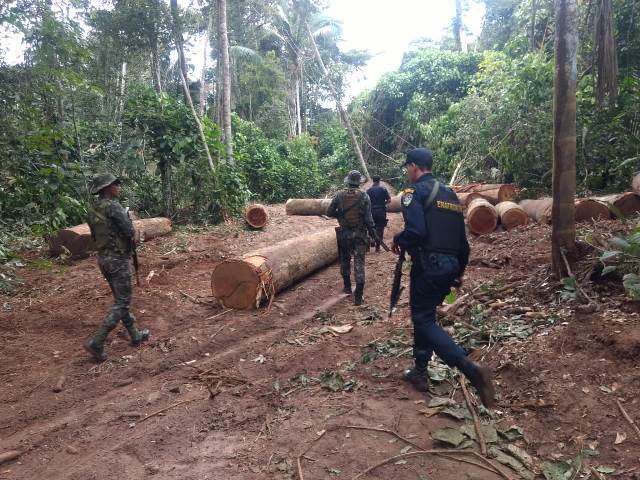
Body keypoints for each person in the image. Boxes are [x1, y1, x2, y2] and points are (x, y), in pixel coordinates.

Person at [391, 148, 496, 407]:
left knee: (423, 319)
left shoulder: (413, 194)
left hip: (428, 266)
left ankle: (469, 368)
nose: (407, 172)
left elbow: (416, 232)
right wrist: (458, 274)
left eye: (407, 168)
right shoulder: (450, 194)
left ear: (414, 166)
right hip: (450, 266)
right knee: (426, 316)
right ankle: (420, 371)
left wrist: (398, 240)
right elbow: (463, 243)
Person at [84, 173, 150, 362]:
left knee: (121, 300)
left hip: (104, 260)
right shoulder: (113, 206)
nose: (118, 187)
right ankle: (97, 342)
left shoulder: (92, 209)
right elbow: (129, 232)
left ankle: (135, 335)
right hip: (118, 260)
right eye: (115, 184)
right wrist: (133, 230)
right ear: (107, 188)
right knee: (122, 303)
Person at [328, 170, 376, 306]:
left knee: (345, 260)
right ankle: (358, 298)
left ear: (348, 181)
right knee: (359, 263)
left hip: (344, 235)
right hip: (359, 235)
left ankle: (347, 287)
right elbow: (368, 219)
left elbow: (329, 212)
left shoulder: (339, 195)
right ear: (359, 182)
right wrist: (373, 234)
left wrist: (341, 216)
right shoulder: (365, 196)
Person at [366, 175, 391, 252]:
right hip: (381, 211)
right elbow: (389, 200)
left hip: (372, 211)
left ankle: (372, 239)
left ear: (373, 180)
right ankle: (377, 247)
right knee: (380, 228)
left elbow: (366, 202)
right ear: (379, 181)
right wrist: (384, 204)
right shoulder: (383, 189)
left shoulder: (369, 190)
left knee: (372, 227)